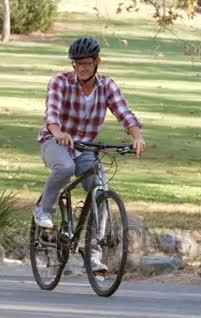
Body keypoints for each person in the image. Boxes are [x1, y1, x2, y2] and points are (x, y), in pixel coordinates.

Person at [34, 36, 146, 272]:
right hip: (54, 141)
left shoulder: (107, 86)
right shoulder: (60, 82)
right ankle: (44, 210)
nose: (81, 68)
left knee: (100, 190)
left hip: (85, 148)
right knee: (65, 167)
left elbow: (124, 113)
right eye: (77, 64)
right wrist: (58, 132)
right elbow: (51, 114)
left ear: (97, 62)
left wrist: (136, 136)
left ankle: (93, 257)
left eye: (86, 63)